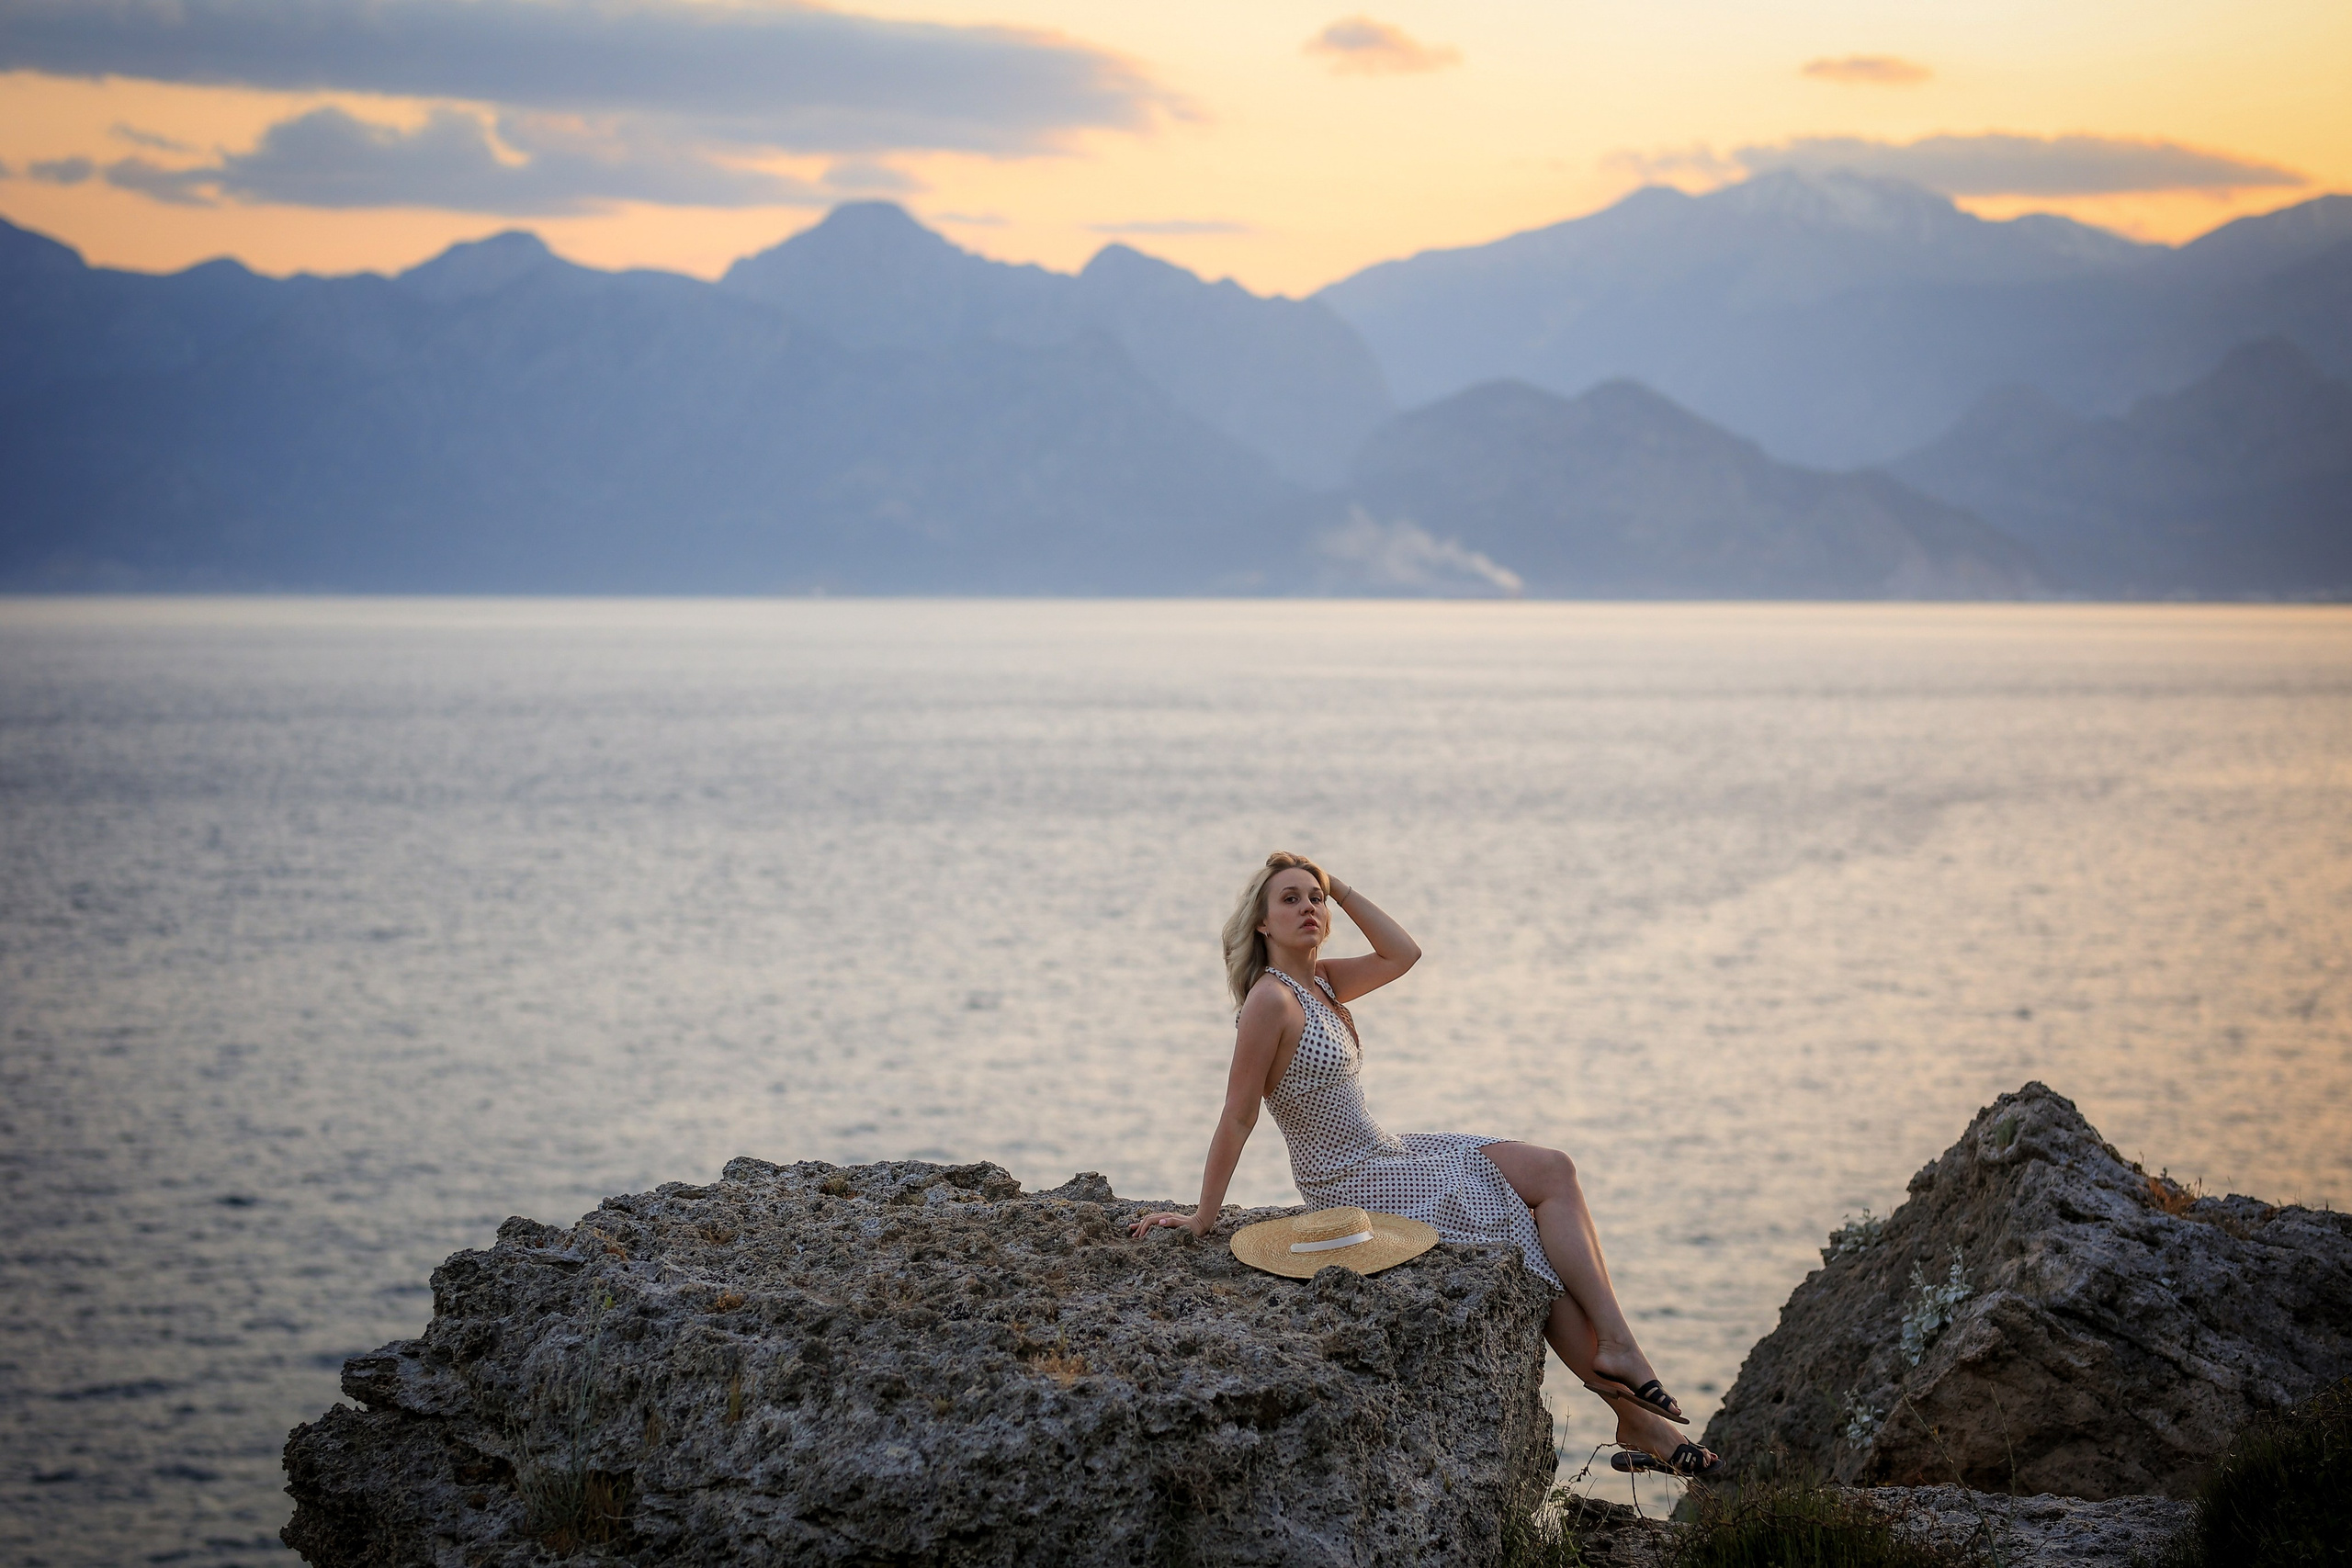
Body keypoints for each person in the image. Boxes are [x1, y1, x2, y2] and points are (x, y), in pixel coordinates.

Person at [1127, 851, 1721, 1478]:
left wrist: (1343, 885)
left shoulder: (1323, 982)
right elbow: (1238, 1113)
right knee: (1518, 1232)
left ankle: (1621, 1349)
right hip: (1351, 1180)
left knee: (1554, 1168)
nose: (1308, 907)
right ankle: (1635, 1411)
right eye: (1290, 898)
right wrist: (1203, 1215)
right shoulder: (1269, 1003)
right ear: (1262, 924)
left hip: (1392, 1151)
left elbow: (1402, 954)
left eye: (1315, 897)